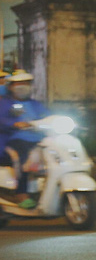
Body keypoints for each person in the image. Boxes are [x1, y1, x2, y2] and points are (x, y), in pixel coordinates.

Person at [0, 70, 48, 208]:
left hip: (39, 139)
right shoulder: (5, 103)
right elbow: (2, 119)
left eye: (26, 83)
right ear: (11, 87)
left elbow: (47, 116)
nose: (22, 86)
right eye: (18, 83)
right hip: (16, 139)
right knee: (23, 159)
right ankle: (21, 194)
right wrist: (14, 123)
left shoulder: (36, 104)